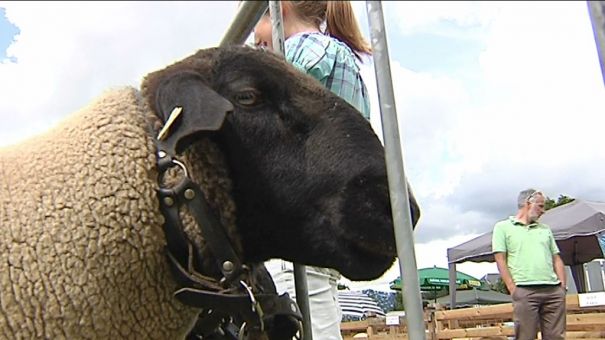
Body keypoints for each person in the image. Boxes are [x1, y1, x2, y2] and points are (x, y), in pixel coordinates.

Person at [254, 2, 372, 339]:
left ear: (280, 8)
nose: (254, 39)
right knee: (320, 316)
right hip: (328, 226)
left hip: (297, 231)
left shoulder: (303, 51)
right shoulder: (338, 55)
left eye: (256, 22)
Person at [492, 188, 567, 340]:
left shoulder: (545, 229)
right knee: (526, 336)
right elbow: (500, 259)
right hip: (525, 290)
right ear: (528, 204)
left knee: (556, 337)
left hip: (553, 290)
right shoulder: (503, 227)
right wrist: (512, 288)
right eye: (540, 206)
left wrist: (562, 287)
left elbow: (556, 258)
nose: (543, 211)